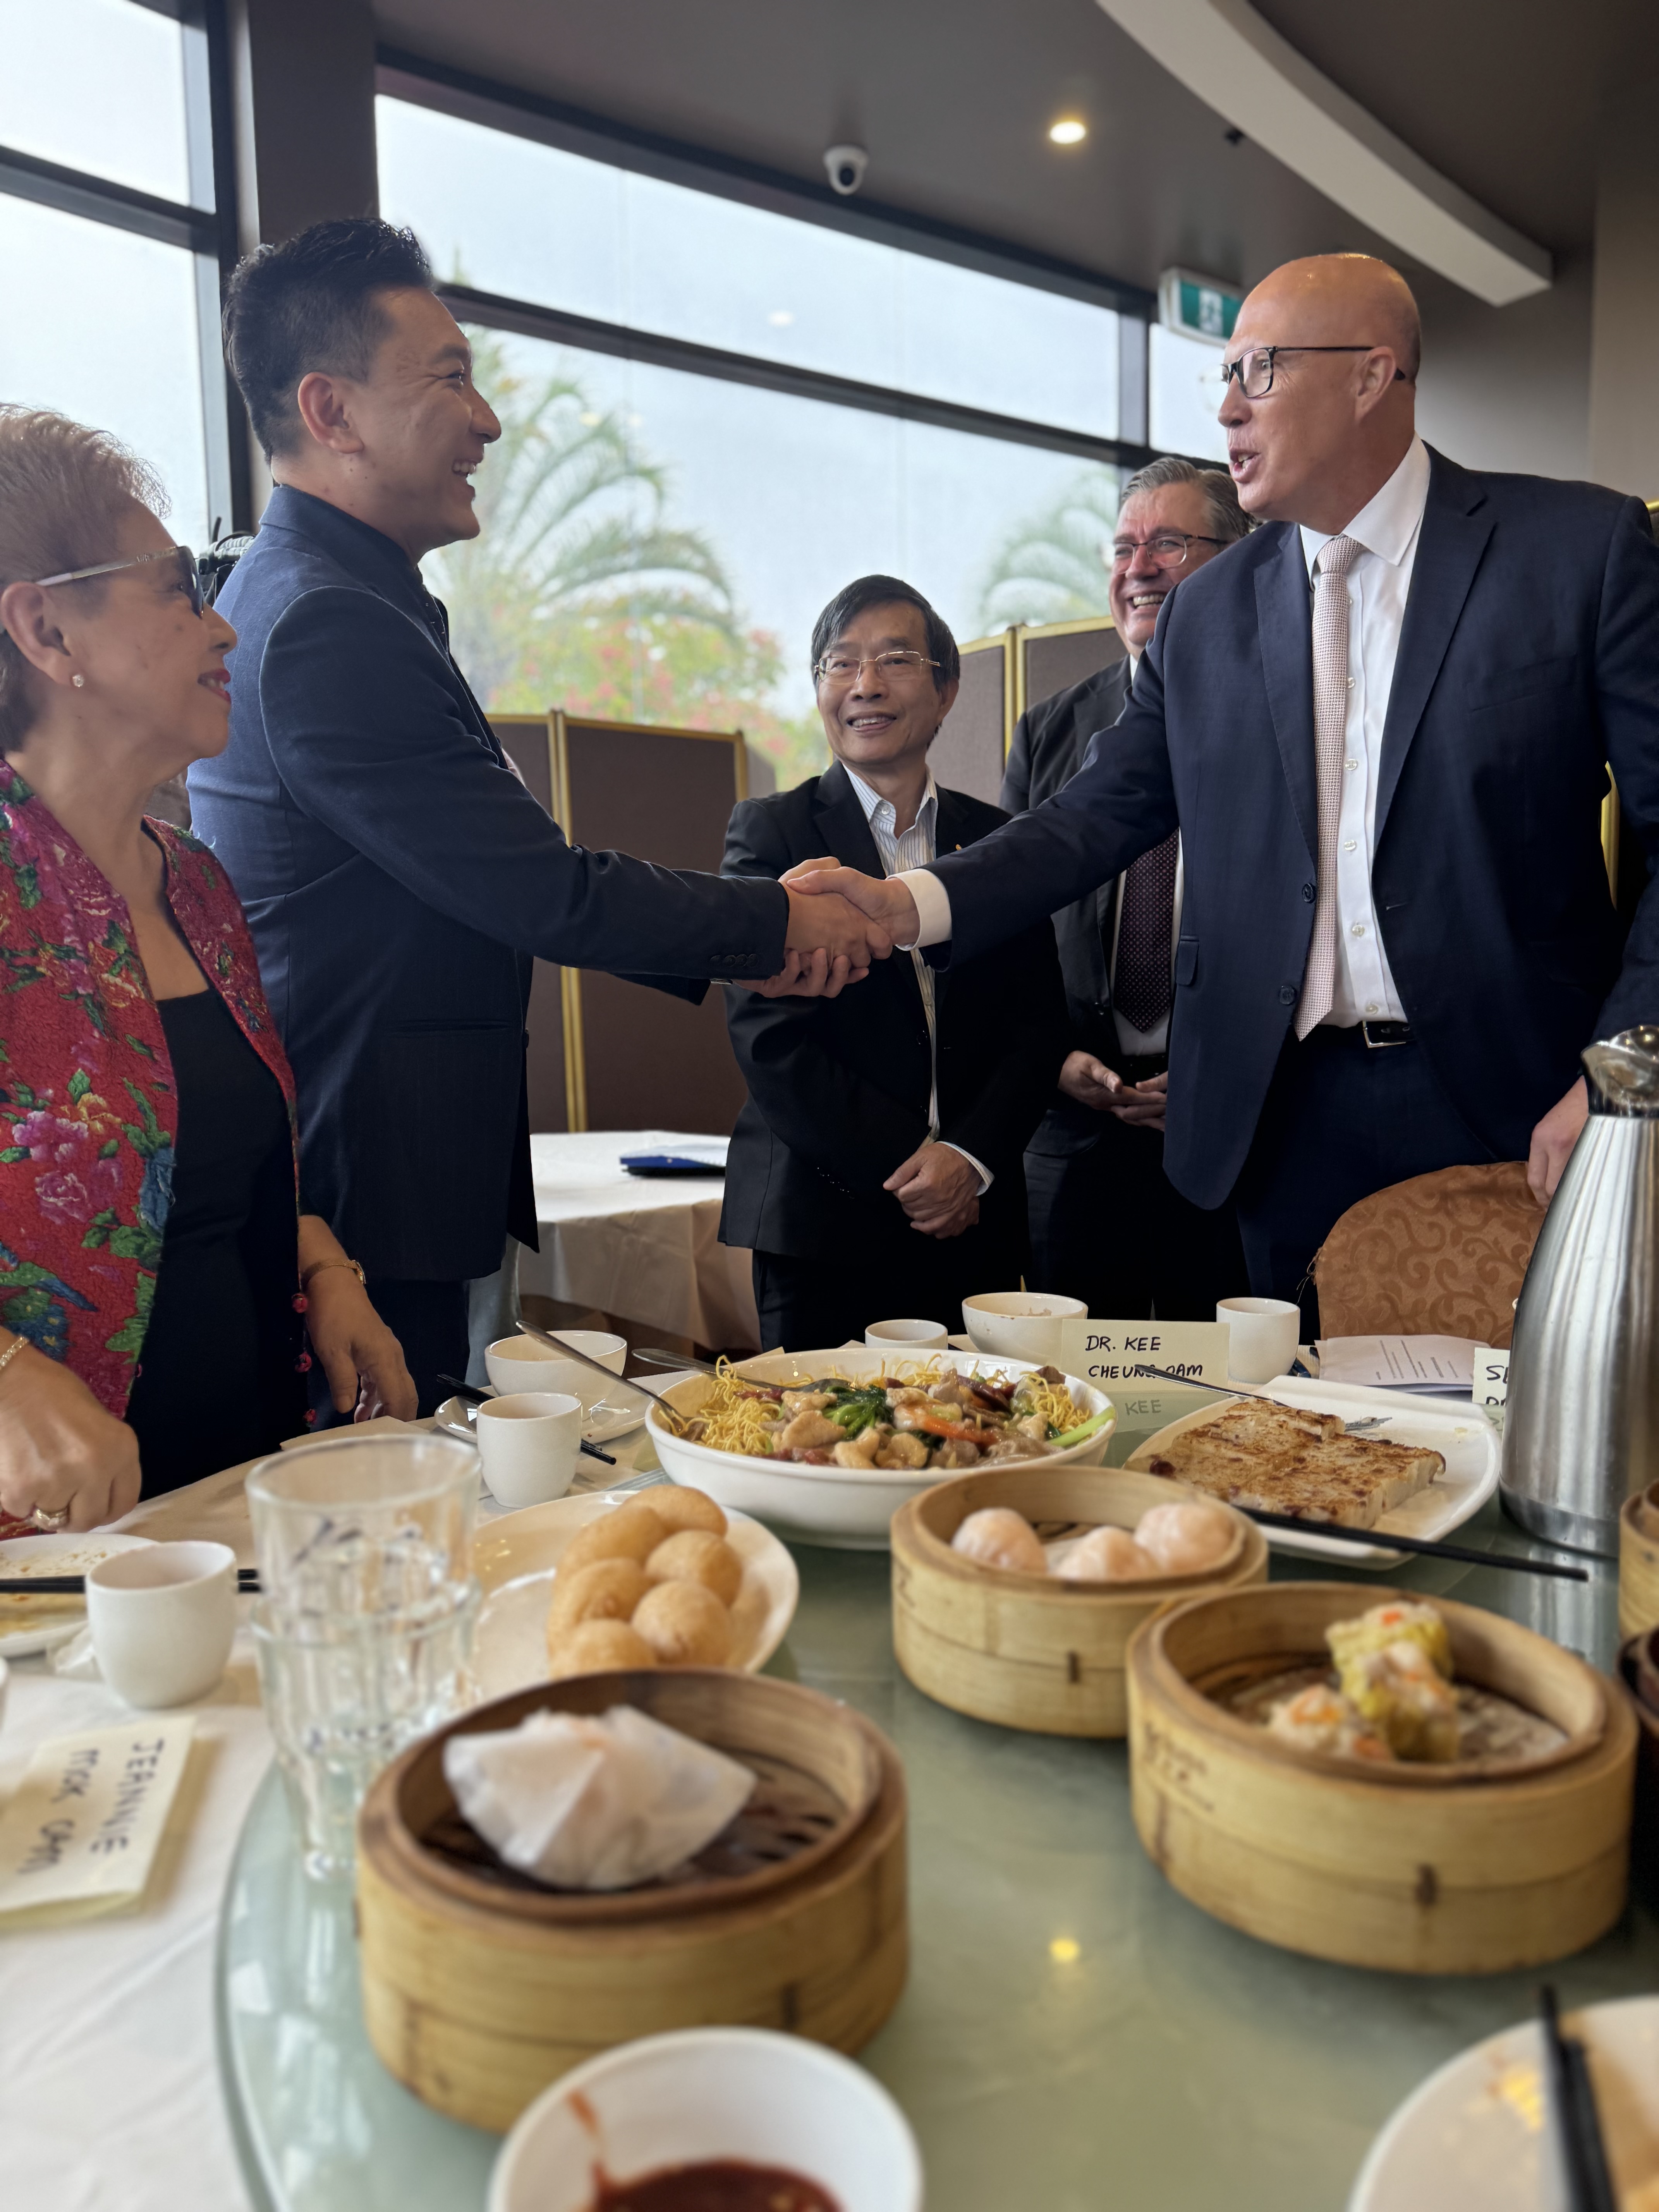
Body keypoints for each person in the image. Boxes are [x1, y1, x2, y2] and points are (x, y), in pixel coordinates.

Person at [790, 253, 1659, 1335]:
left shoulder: (1576, 551)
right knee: (1293, 1427)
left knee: (1497, 1421)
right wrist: (905, 902)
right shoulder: (1208, 614)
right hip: (1278, 1120)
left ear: (1370, 375)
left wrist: (1617, 1077)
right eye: (1226, 375)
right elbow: (1090, 818)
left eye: (1261, 368)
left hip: (1517, 1106)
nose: (1228, 406)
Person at [189, 221, 889, 1414]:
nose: (488, 421)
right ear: (331, 410)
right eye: (450, 379)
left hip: (395, 1167)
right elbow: (537, 887)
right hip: (368, 1185)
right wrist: (777, 924)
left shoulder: (344, 598)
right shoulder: (324, 622)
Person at [0, 410, 415, 1535]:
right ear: (46, 628)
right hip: (54, 1557)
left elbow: (211, 1163)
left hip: (235, 1498)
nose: (224, 627)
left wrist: (324, 1266)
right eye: (180, 591)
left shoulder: (196, 883)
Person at [720, 577, 1068, 1349]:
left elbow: (1038, 1026)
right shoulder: (772, 832)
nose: (865, 685)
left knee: (981, 1424)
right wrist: (914, 1168)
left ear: (947, 691)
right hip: (824, 1224)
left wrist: (967, 1160)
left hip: (973, 1219)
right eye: (840, 664)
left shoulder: (1001, 843)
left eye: (895, 660)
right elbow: (770, 1036)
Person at [1003, 455, 1250, 1317]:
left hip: (1234, 1137)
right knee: (1079, 1380)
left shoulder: (1285, 718)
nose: (1138, 569)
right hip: (1077, 1138)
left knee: (1222, 1382)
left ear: (1241, 560)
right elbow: (1013, 937)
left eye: (1169, 544)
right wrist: (1053, 1060)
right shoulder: (1049, 732)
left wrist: (1221, 1072)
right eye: (1122, 549)